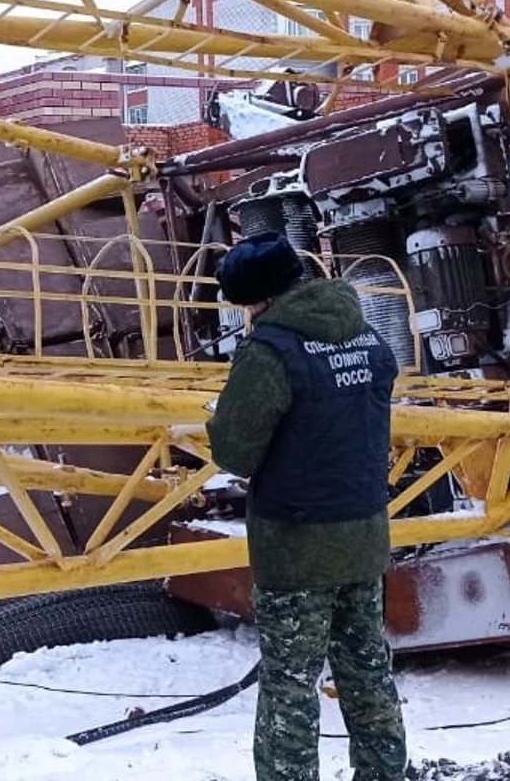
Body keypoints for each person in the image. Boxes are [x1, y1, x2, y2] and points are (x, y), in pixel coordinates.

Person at [207, 232, 406, 781]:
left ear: (261, 298)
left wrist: (219, 417)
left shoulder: (270, 353)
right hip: (363, 537)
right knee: (368, 674)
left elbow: (236, 451)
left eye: (246, 303)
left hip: (295, 548)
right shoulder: (368, 338)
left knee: (290, 690)